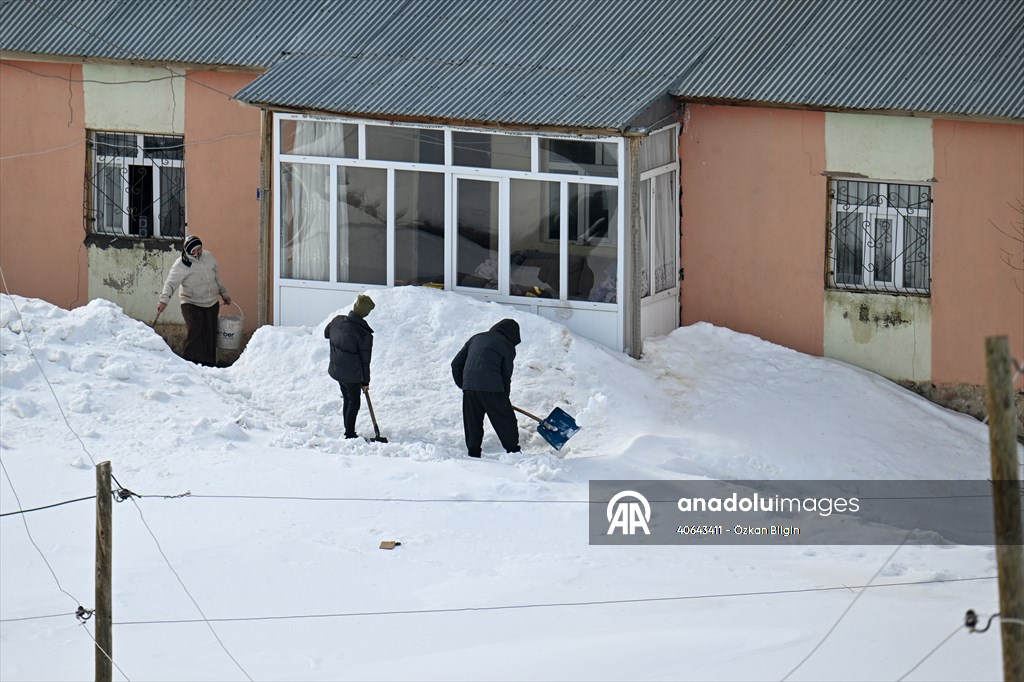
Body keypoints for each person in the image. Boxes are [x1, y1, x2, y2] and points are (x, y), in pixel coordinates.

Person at [451, 318, 522, 458]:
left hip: (470, 387)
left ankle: (473, 452)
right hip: (493, 387)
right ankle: (514, 452)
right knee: (505, 419)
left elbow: (455, 364)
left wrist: (465, 385)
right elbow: (506, 375)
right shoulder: (506, 345)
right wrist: (504, 399)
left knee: (473, 420)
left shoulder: (476, 338)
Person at [157, 235, 231, 367]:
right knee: (195, 331)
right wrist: (164, 300)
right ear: (187, 251)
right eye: (193, 250)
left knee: (210, 333)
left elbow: (217, 277)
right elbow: (170, 283)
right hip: (191, 302)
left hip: (211, 302)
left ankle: (208, 364)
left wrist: (224, 294)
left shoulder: (208, 256)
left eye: (199, 249)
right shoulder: (181, 264)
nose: (197, 253)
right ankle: (188, 363)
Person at [324, 294, 375, 439]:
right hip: (352, 374)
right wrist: (365, 382)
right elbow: (366, 361)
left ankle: (348, 430)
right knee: (353, 401)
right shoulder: (364, 334)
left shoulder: (337, 321)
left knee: (347, 398)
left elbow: (326, 334)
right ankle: (350, 434)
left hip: (337, 369)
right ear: (365, 313)